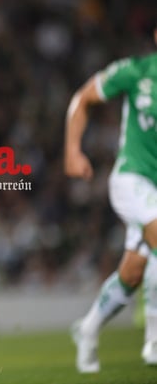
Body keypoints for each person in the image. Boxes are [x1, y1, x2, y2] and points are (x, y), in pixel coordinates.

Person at [65, 23, 157, 373]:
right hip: (131, 179)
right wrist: (73, 151)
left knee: (133, 272)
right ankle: (154, 340)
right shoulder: (136, 72)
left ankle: (87, 329)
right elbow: (83, 97)